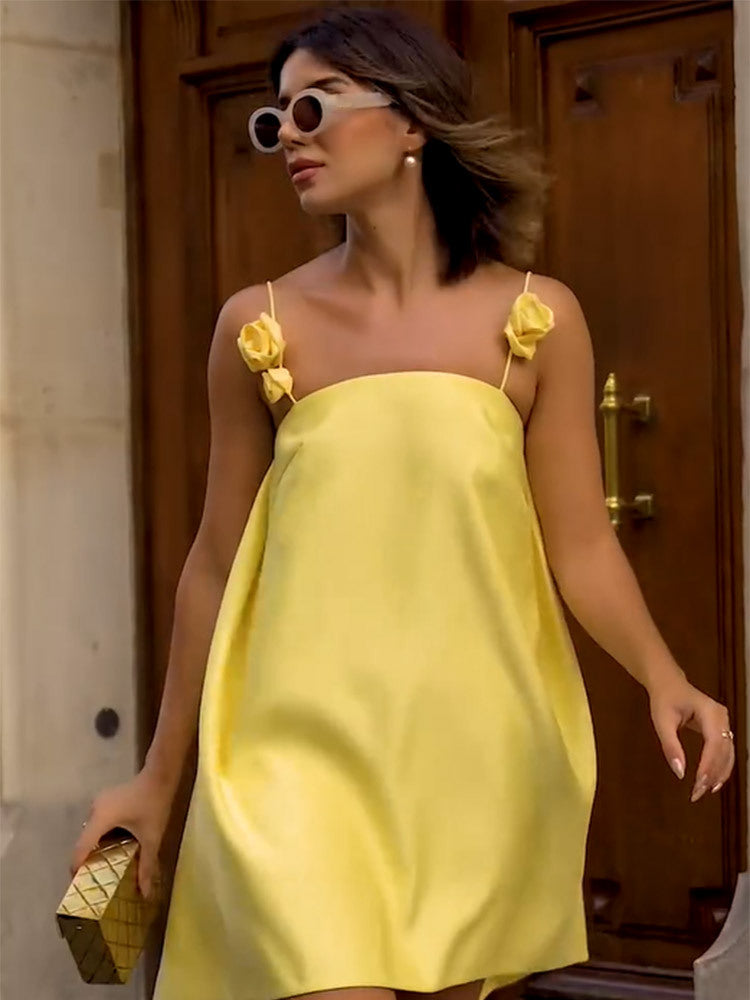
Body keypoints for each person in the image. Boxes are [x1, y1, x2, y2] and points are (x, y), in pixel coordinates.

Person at [70, 7, 736, 1000]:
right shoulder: (258, 328)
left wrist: (663, 676)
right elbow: (213, 562)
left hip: (474, 745)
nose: (287, 135)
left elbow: (583, 545)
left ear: (414, 120)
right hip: (292, 750)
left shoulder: (537, 320)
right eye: (274, 119)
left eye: (314, 107)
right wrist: (157, 782)